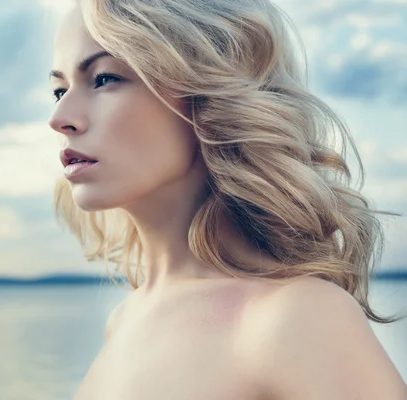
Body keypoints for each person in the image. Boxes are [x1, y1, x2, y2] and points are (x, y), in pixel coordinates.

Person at [47, 0, 407, 398]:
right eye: (59, 90)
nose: (59, 116)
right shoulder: (124, 319)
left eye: (103, 79)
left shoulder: (297, 317)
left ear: (206, 92)